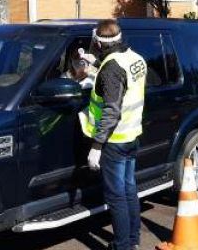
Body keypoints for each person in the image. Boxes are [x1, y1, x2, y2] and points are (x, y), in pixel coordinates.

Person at [80, 19, 146, 250]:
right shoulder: (134, 58)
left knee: (116, 196)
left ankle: (122, 246)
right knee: (129, 190)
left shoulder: (111, 69)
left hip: (114, 141)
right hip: (132, 136)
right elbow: (121, 80)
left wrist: (97, 146)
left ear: (98, 41)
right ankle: (133, 240)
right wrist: (96, 65)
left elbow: (112, 109)